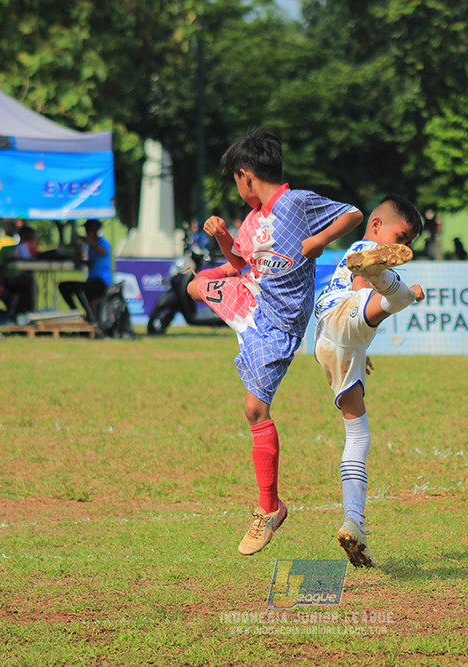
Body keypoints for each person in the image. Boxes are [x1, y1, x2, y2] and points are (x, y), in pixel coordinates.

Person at [186, 128, 363, 556]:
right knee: (195, 286)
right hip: (254, 305)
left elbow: (354, 214)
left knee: (254, 409)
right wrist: (225, 239)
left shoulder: (296, 203)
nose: (238, 189)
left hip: (280, 325)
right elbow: (240, 260)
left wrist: (320, 240)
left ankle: (270, 508)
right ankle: (270, 506)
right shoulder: (252, 220)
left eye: (236, 182)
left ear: (246, 176)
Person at [313, 195, 425, 567]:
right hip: (348, 311)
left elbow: (355, 315)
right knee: (401, 294)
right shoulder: (365, 246)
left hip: (330, 342)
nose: (402, 246)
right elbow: (359, 285)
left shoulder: (363, 250)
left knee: (358, 435)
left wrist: (361, 340)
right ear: (376, 225)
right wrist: (380, 299)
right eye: (401, 235)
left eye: (407, 243)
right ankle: (395, 286)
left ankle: (353, 523)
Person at [58, 219, 111, 322]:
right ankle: (75, 312)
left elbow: (104, 253)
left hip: (101, 282)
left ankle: (90, 317)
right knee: (64, 286)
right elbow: (92, 263)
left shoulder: (103, 243)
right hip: (92, 280)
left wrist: (92, 243)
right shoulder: (91, 246)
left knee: (80, 289)